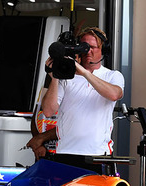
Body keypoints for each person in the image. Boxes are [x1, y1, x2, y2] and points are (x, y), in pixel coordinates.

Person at [34, 27, 124, 171]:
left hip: (97, 154)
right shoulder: (67, 77)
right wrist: (55, 77)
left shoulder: (113, 75)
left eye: (92, 47)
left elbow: (115, 94)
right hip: (65, 152)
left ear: (103, 50)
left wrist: (82, 71)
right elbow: (49, 111)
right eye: (84, 47)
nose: (88, 51)